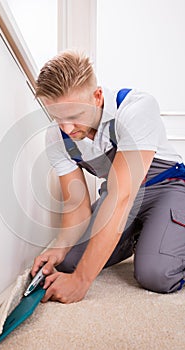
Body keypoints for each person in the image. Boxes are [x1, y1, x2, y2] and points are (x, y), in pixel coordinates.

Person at [31, 51, 185, 303]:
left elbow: (119, 198)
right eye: (58, 118)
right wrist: (59, 248)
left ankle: (164, 240)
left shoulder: (136, 108)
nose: (67, 129)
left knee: (157, 274)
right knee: (69, 261)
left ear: (97, 97)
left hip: (167, 188)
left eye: (74, 116)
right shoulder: (56, 139)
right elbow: (77, 210)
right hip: (120, 196)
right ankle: (146, 236)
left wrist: (81, 281)